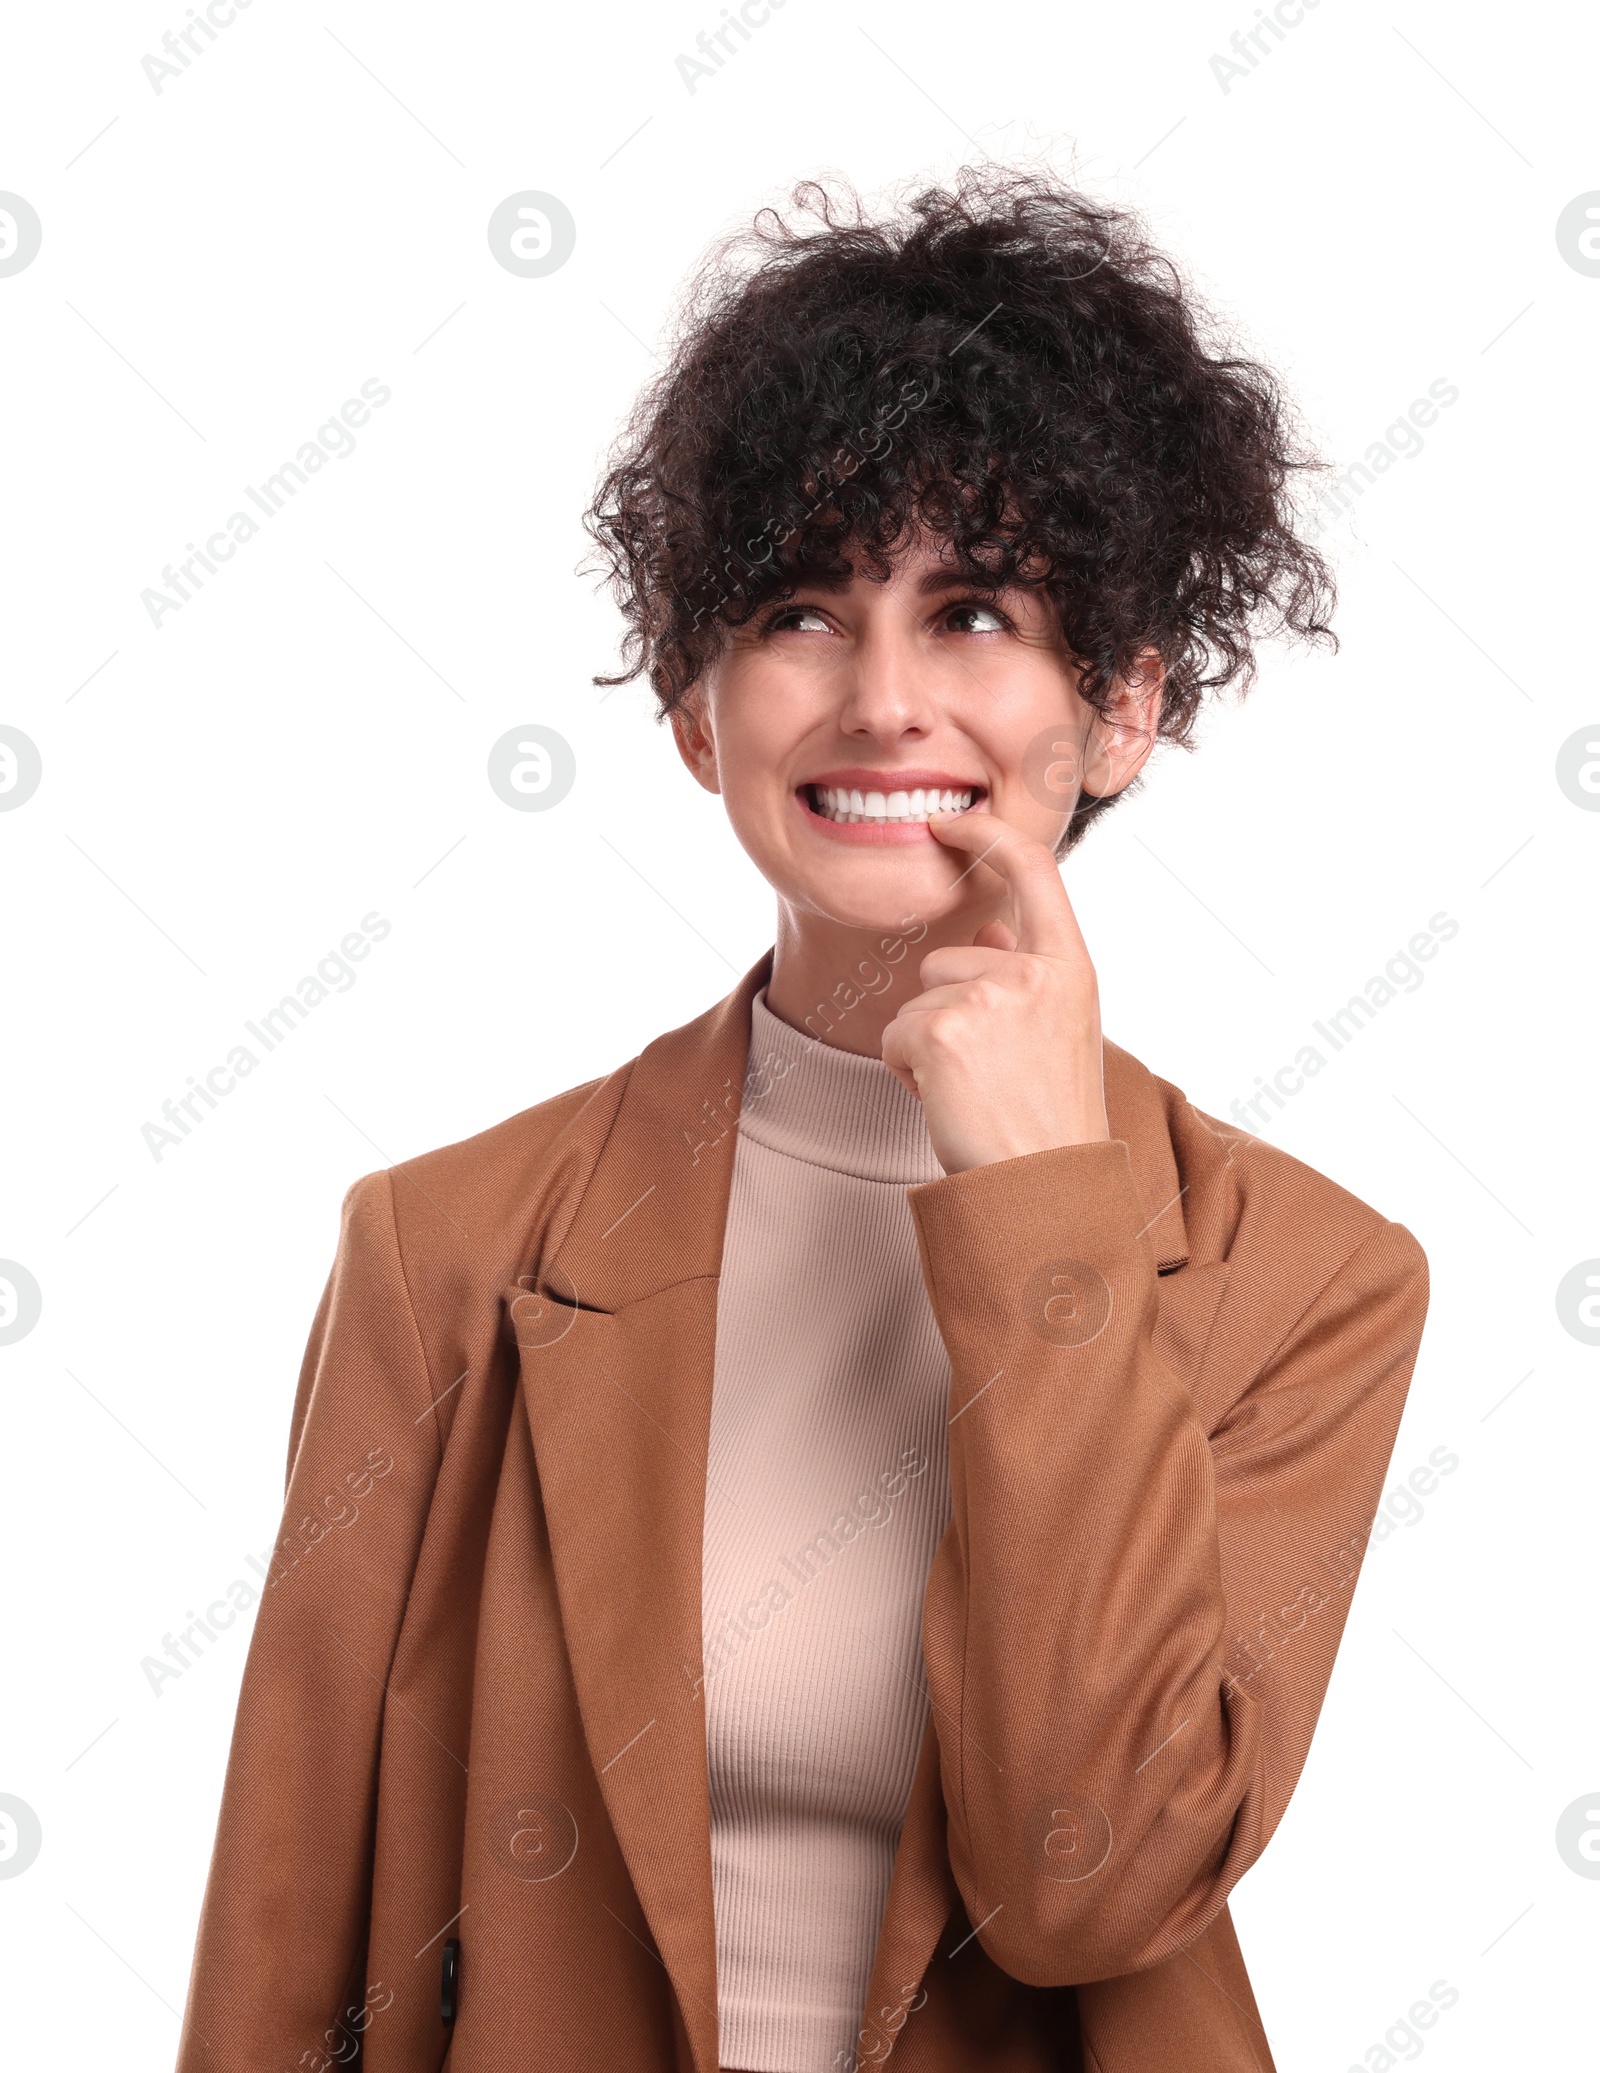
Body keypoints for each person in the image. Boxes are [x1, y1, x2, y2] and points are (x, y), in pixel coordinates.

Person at [175, 168, 1429, 2073]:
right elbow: (287, 1933)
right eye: (801, 610)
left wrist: (1043, 1205)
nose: (886, 701)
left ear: (1123, 711)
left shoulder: (1309, 1281)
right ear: (699, 710)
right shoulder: (441, 1249)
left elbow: (1083, 1882)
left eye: (980, 611)